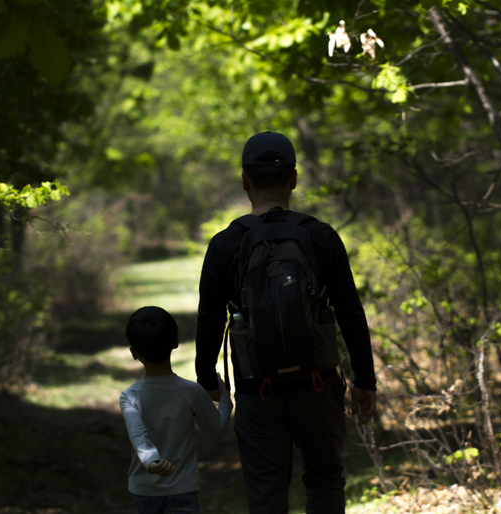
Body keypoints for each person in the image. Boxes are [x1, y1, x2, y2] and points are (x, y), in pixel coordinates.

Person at [195, 131, 377, 513]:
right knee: (325, 483)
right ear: (294, 179)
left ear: (245, 180)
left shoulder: (224, 245)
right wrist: (365, 381)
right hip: (318, 386)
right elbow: (350, 312)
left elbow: (210, 318)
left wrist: (208, 380)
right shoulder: (321, 237)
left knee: (266, 497)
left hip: (255, 389)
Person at [120, 306, 233, 514]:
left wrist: (151, 462)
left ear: (134, 353)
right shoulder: (191, 391)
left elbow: (138, 436)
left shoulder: (130, 396)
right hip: (182, 490)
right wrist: (226, 399)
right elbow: (218, 429)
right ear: (176, 342)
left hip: (145, 491)